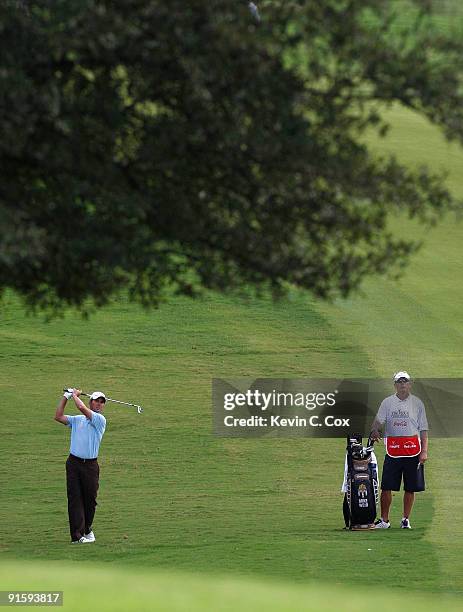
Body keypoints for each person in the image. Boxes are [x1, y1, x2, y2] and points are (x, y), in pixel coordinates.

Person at [370, 371, 428, 529]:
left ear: (410, 384)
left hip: (413, 450)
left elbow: (423, 429)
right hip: (393, 450)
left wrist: (424, 451)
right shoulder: (387, 403)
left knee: (410, 487)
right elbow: (377, 421)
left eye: (405, 381)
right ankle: (384, 520)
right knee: (387, 486)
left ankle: (405, 519)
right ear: (395, 385)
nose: (402, 384)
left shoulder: (417, 403)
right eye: (399, 382)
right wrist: (375, 430)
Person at [55, 388, 107, 543]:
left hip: (90, 465)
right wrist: (65, 397)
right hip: (74, 463)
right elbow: (58, 416)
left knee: (90, 500)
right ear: (91, 401)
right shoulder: (77, 420)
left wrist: (75, 395)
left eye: (101, 402)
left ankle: (87, 529)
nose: (98, 404)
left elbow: (81, 407)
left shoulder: (100, 420)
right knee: (75, 499)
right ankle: (77, 536)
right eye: (96, 401)